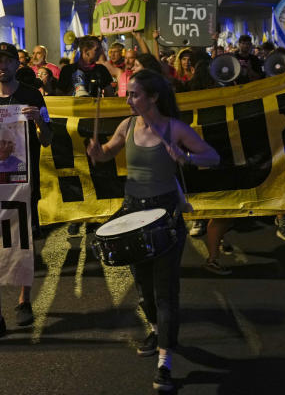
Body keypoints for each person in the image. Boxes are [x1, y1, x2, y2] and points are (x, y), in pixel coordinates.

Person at [86, 70, 219, 392]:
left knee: (165, 290)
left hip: (165, 213)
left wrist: (185, 157)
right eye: (128, 94)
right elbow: (108, 152)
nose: (128, 99)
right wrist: (98, 153)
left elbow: (213, 156)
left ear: (153, 97)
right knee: (143, 287)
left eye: (134, 94)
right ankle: (159, 330)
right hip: (133, 211)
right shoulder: (127, 126)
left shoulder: (174, 129)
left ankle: (165, 361)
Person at [0, 42, 53, 343]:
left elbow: (47, 139)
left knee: (23, 240)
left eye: (7, 60)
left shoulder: (32, 94)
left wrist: (39, 121)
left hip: (24, 180)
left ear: (17, 64)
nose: (2, 65)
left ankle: (24, 298)